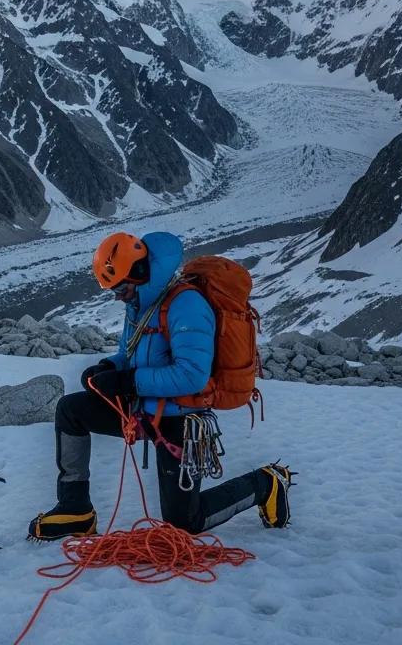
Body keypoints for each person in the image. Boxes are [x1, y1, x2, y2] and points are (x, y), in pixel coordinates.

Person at [28, 230, 292, 541]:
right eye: (113, 289)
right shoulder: (140, 302)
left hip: (181, 420)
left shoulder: (187, 305)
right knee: (71, 410)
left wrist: (128, 381)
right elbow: (130, 352)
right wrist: (109, 368)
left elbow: (192, 374)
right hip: (143, 408)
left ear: (140, 273)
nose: (118, 296)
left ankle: (265, 484)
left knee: (185, 523)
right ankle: (75, 509)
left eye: (121, 288)